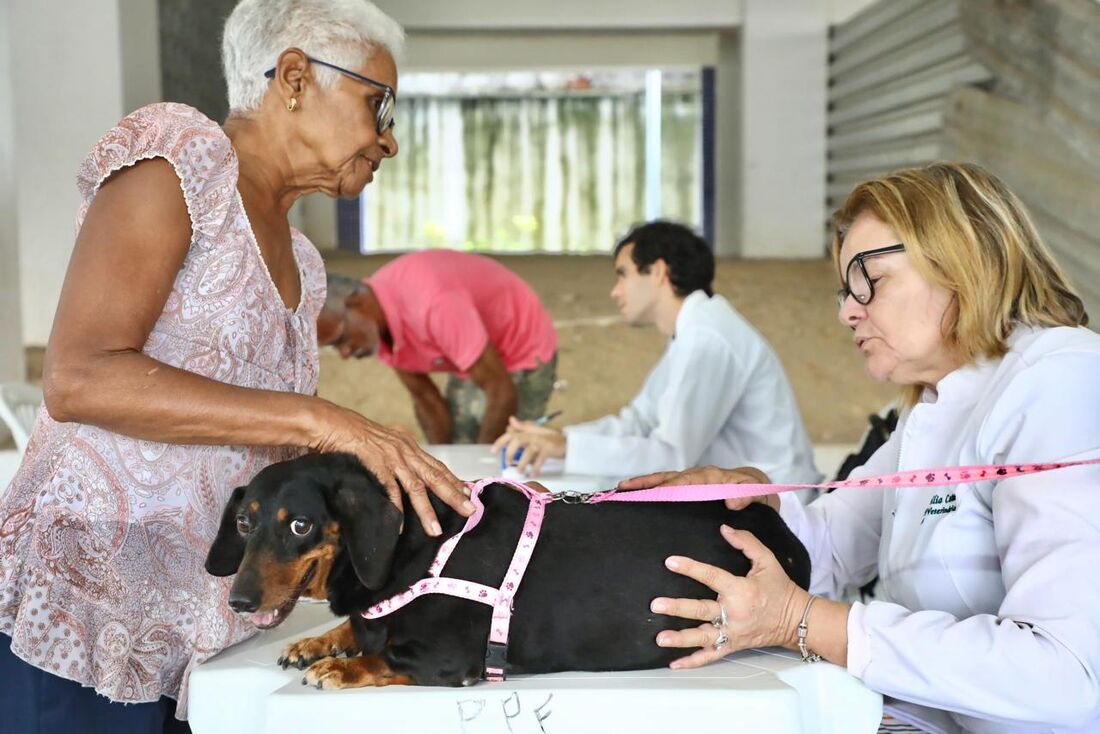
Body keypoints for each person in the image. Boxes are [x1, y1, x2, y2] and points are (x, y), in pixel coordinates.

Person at [0, 1, 473, 731]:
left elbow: (268, 463)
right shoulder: (181, 162)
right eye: (378, 104)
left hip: (200, 629)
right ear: (292, 78)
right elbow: (78, 377)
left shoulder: (305, 266)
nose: (389, 141)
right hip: (88, 612)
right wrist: (321, 419)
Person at [627, 163, 1100, 733]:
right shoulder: (934, 409)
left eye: (868, 277)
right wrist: (753, 507)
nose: (849, 310)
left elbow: (1070, 675)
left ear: (963, 261)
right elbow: (828, 547)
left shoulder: (1058, 379)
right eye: (844, 289)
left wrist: (804, 622)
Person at [492, 220, 819, 485]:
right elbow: (638, 420)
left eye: (623, 274)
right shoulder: (693, 330)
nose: (615, 291)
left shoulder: (707, 338)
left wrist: (566, 447)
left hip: (778, 507)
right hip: (745, 498)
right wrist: (557, 439)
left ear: (659, 272)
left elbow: (671, 457)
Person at [318, 251, 558, 444]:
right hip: (475, 348)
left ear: (357, 303)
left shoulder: (434, 305)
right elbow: (426, 398)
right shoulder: (376, 325)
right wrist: (439, 465)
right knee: (461, 446)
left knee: (510, 451)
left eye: (342, 339)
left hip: (522, 345)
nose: (345, 353)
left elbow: (501, 390)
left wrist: (481, 475)